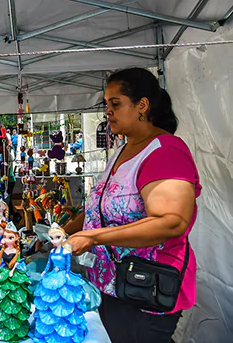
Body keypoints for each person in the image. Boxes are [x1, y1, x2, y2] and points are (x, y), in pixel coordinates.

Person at [64, 68, 201, 343]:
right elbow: (102, 208)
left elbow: (171, 221)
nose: (107, 112)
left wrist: (93, 237)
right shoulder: (123, 150)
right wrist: (66, 230)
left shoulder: (166, 152)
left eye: (115, 104)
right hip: (113, 287)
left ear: (142, 105)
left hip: (146, 289)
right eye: (106, 105)